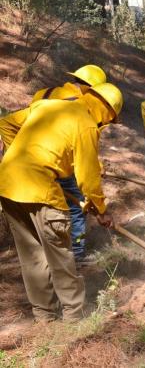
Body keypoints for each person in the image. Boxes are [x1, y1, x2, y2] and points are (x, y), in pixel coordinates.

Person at [0, 83, 122, 322]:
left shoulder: (46, 105)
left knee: (32, 258)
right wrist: (102, 209)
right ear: (106, 112)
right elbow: (88, 180)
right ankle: (75, 319)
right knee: (60, 256)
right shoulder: (86, 123)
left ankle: (45, 318)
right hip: (40, 190)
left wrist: (24, 161)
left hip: (7, 184)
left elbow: (5, 123)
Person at [2, 65, 109, 262]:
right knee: (77, 209)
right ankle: (76, 253)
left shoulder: (45, 93)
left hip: (29, 169)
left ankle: (49, 253)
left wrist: (18, 151)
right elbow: (81, 148)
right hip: (58, 167)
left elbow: (10, 124)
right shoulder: (81, 106)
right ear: (92, 89)